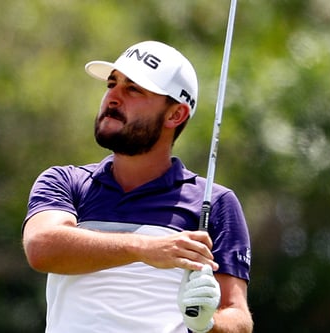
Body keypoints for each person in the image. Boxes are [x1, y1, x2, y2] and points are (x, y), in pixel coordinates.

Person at [22, 40, 253, 333]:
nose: (113, 98)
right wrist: (145, 248)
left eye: (133, 89)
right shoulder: (67, 182)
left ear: (175, 115)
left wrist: (208, 323)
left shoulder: (215, 202)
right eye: (111, 84)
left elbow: (239, 319)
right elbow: (42, 248)